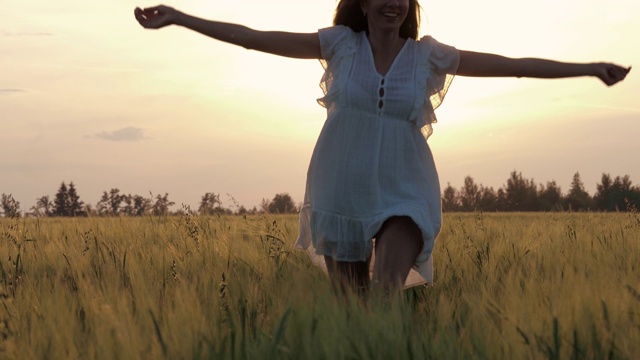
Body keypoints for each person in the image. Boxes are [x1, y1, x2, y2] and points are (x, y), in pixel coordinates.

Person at [134, 1, 630, 296]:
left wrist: (587, 68)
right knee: (353, 312)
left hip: (405, 187)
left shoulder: (428, 55)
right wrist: (179, 17)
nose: (392, 1)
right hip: (340, 187)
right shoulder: (340, 45)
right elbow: (253, 39)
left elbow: (512, 64)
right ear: (364, 3)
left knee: (387, 291)